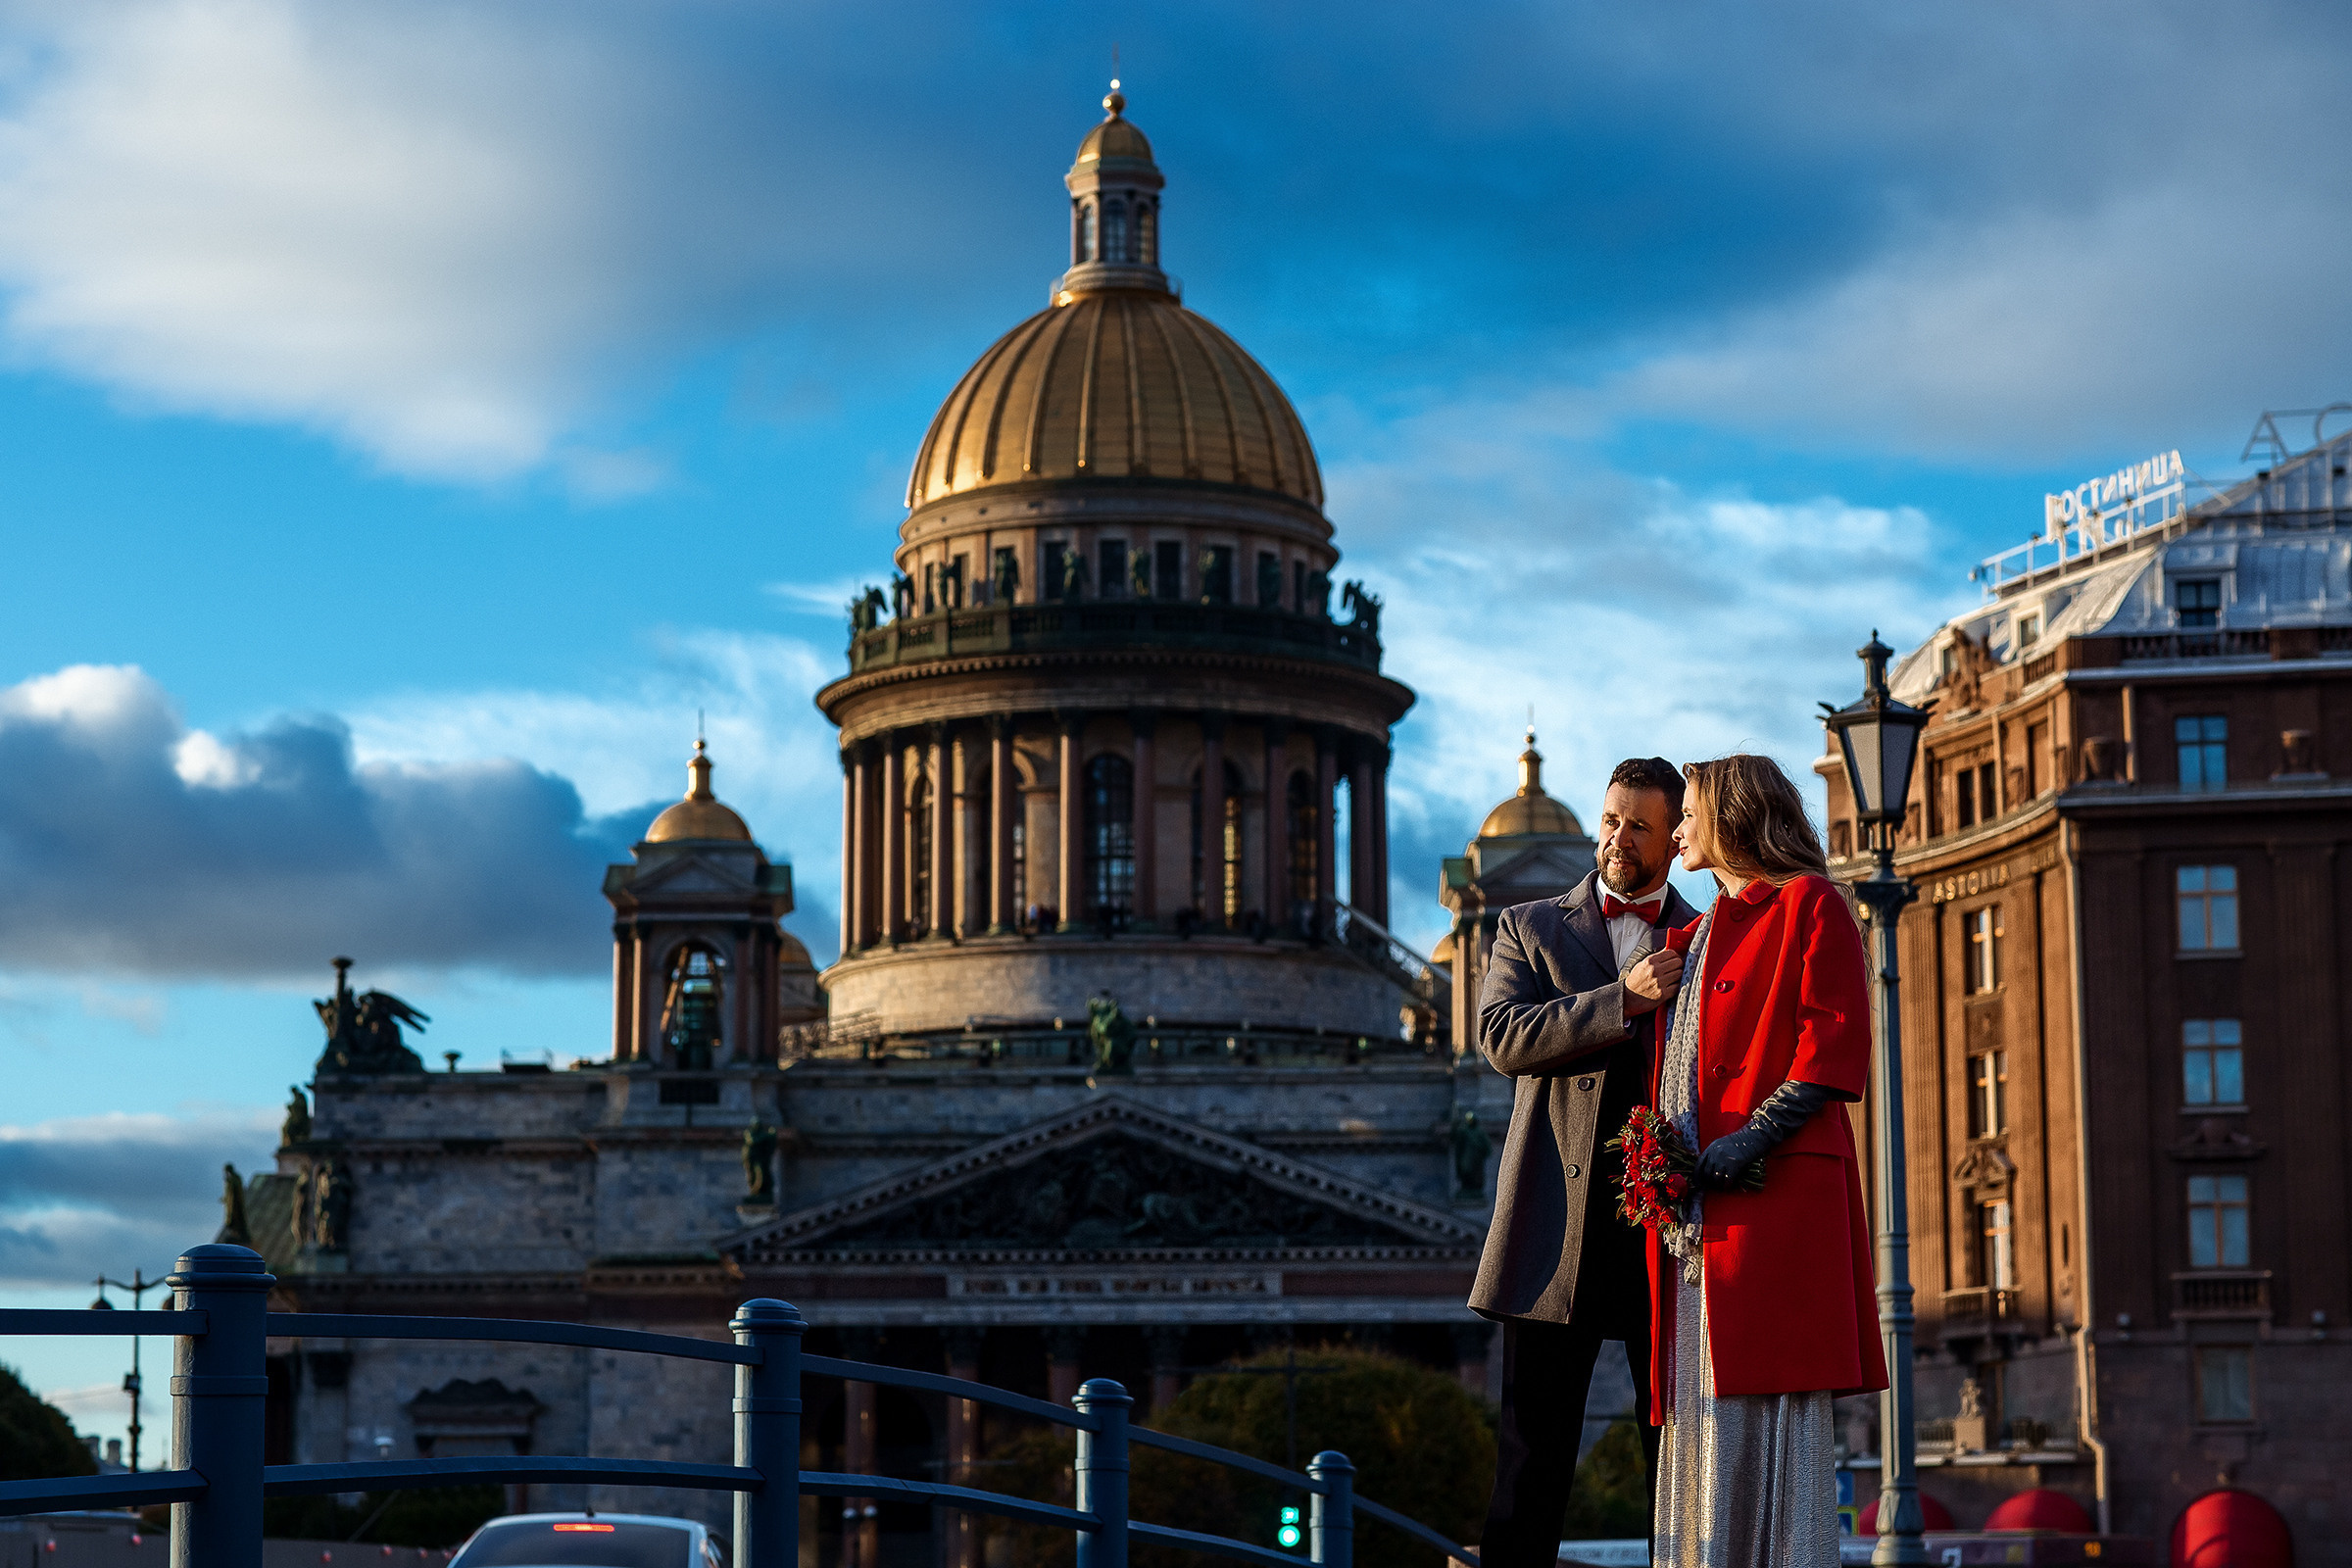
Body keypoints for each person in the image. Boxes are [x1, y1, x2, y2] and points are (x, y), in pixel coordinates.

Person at [1649, 755, 1887, 1565]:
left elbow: (1835, 1039)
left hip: (1776, 1198)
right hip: (1704, 1221)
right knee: (1707, 1403)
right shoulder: (1695, 931)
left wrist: (1755, 1133)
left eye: (1686, 813)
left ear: (1728, 817)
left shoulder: (1811, 901)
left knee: (1774, 1401)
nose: (1677, 829)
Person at [1470, 758, 1701, 1566]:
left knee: (1669, 1464)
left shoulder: (1706, 938)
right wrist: (1625, 1000)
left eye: (1639, 825)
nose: (1618, 839)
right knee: (1530, 1465)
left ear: (1675, 837)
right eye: (1611, 819)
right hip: (1552, 1232)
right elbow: (1501, 1039)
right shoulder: (1529, 926)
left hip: (1664, 1236)